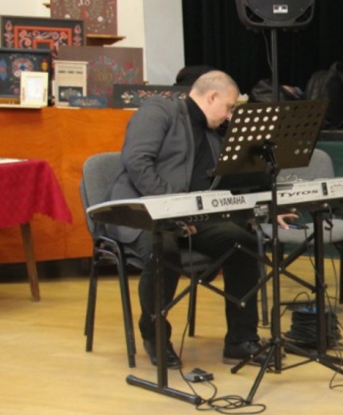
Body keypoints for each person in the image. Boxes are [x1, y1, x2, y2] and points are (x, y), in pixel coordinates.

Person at [105, 70, 267, 367]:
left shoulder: (215, 135)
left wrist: (260, 209)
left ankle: (241, 341)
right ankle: (155, 336)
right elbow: (137, 161)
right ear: (212, 97)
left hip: (192, 218)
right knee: (163, 249)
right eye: (229, 107)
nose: (230, 115)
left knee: (243, 243)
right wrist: (175, 210)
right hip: (144, 213)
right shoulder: (159, 110)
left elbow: (227, 186)